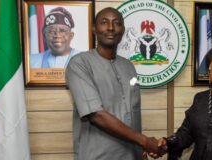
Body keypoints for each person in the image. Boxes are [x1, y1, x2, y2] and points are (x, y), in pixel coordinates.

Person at [65, 7, 163, 160]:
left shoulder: (129, 66)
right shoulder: (79, 64)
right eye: (104, 22)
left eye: (116, 23)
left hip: (132, 155)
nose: (111, 28)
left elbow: (133, 112)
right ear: (94, 29)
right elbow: (96, 115)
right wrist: (144, 141)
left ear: (123, 30)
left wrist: (141, 149)